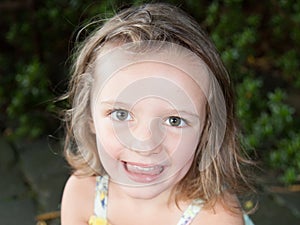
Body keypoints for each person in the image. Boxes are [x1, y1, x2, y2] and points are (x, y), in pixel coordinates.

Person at [61, 2, 255, 225]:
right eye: (121, 114)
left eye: (174, 120)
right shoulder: (83, 195)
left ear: (207, 130)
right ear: (89, 117)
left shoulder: (216, 217)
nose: (145, 143)